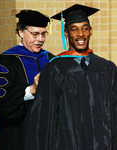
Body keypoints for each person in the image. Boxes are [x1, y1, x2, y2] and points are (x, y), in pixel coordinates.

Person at [25, 4, 117, 150]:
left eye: (85, 28)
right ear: (66, 33)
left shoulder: (107, 68)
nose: (80, 34)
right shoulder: (54, 70)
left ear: (91, 31)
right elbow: (44, 121)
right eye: (74, 29)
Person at [0, 9, 54, 150]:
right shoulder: (4, 63)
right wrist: (31, 90)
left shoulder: (50, 59)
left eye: (43, 34)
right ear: (21, 32)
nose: (40, 39)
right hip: (17, 138)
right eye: (35, 34)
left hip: (47, 137)